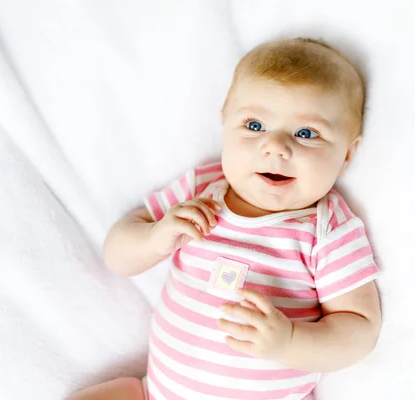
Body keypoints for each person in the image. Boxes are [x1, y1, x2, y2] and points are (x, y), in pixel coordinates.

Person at [70, 37, 381, 400]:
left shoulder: (327, 229)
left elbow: (360, 331)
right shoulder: (202, 188)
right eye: (254, 125)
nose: (276, 146)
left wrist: (289, 341)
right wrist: (155, 237)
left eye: (306, 133)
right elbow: (117, 256)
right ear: (224, 124)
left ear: (347, 153)